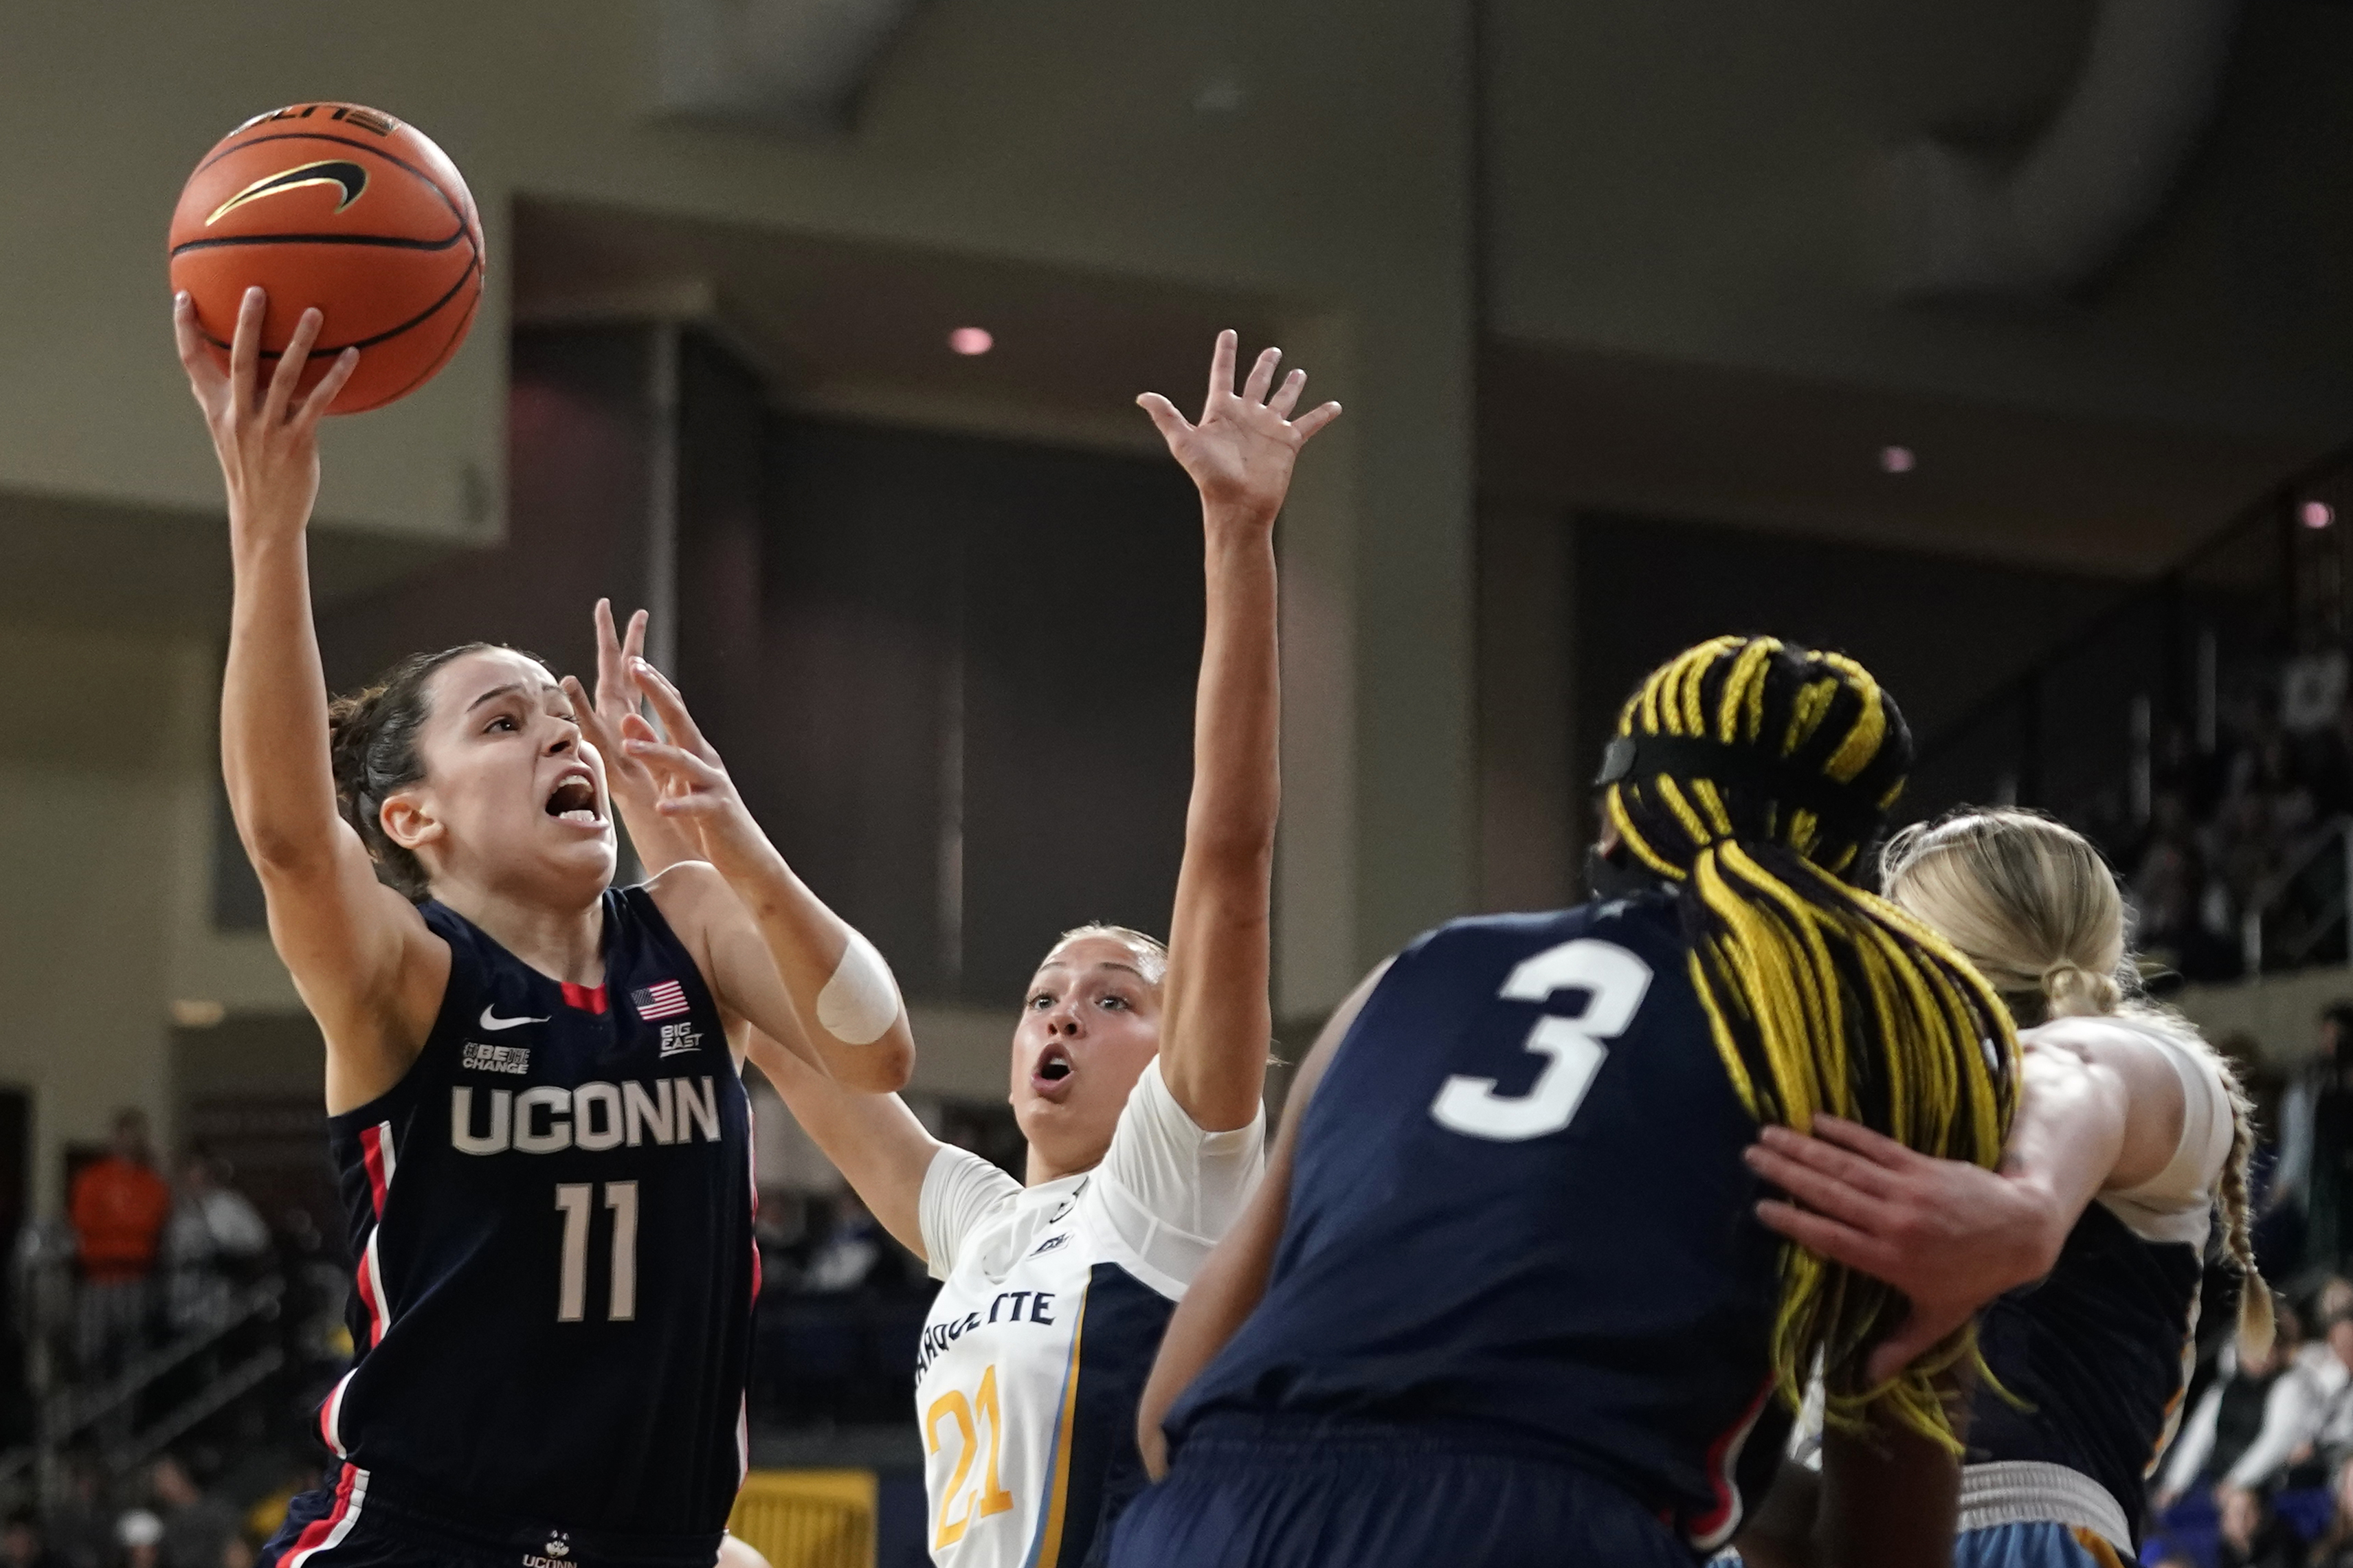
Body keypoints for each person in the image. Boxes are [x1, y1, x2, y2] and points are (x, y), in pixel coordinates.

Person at [172, 285, 908, 1568]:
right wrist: (268, 520)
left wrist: (726, 832)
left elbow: (874, 1047)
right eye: (501, 724)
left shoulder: (683, 923)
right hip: (425, 1537)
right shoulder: (405, 972)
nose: (558, 734)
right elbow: (289, 834)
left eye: (558, 717)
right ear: (413, 818)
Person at [599, 330, 1332, 1568]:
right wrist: (663, 803)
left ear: (1182, 1047)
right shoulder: (983, 1222)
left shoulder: (1179, 1175)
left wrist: (1237, 534)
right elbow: (771, 1025)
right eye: (1045, 996)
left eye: (1110, 999)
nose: (1059, 1016)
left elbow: (1226, 852)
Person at [1113, 636, 2038, 1568]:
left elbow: (1168, 1414)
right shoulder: (1882, 1025)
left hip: (1212, 1514)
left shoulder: (1411, 973)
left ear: (1615, 816)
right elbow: (1884, 1552)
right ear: (1852, 856)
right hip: (1543, 1530)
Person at [1741, 808, 2269, 1567]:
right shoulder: (1874, 1103)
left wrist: (2027, 1202)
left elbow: (2073, 1078)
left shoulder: (2129, 1054)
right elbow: (1817, 1520)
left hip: (2009, 1526)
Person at [69, 1109, 171, 1376]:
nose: (128, 1141)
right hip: (98, 1279)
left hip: (136, 1278)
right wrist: (123, 1229)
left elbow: (151, 1223)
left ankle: (125, 1417)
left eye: (135, 1134)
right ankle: (90, 1415)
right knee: (90, 1354)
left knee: (133, 1357)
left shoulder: (151, 1183)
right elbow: (84, 1222)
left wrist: (119, 1227)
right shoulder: (93, 1179)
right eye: (122, 1134)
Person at [161, 1150, 271, 1336]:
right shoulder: (179, 1212)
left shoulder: (229, 1205)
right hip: (186, 1303)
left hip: (224, 1301)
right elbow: (172, 1250)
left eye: (198, 1175)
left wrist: (230, 1253)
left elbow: (258, 1240)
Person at [149, 1457, 239, 1568]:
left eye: (170, 1478)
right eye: (162, 1483)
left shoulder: (215, 1506)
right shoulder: (169, 1532)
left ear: (182, 1475)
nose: (168, 1486)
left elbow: (236, 1547)